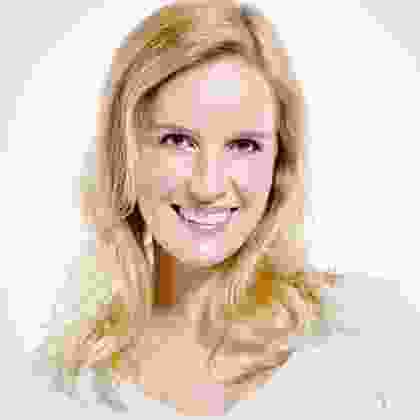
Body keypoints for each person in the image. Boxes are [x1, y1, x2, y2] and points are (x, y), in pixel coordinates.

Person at [29, 1, 420, 417]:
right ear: (125, 152)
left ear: (279, 162)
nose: (208, 186)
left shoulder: (371, 331)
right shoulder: (70, 389)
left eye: (243, 145)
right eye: (177, 141)